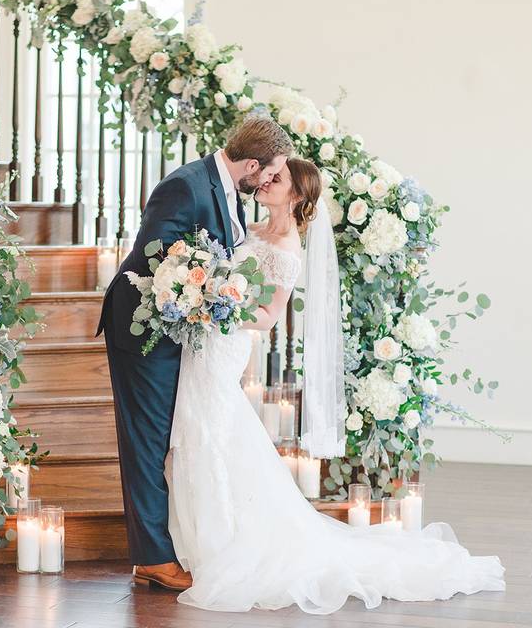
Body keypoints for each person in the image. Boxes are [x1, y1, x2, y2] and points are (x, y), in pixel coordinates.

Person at [164, 157, 506, 613]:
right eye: (267, 174)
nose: (265, 179)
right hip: (207, 339)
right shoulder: (250, 227)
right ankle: (194, 541)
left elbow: (266, 318)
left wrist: (216, 305)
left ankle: (219, 544)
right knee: (197, 430)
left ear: (297, 196)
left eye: (277, 178)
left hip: (227, 342)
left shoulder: (286, 249)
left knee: (209, 432)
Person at [96, 116, 294, 591]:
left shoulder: (232, 193)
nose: (267, 182)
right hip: (143, 327)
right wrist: (203, 294)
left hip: (182, 332)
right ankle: (153, 558)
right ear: (251, 164)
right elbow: (154, 258)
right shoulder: (184, 186)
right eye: (268, 174)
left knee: (171, 437)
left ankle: (172, 544)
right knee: (147, 440)